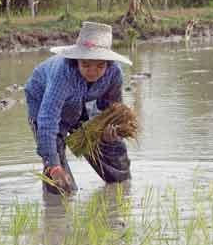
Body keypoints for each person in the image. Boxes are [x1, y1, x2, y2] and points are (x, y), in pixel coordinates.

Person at [25, 21, 133, 193]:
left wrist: (111, 132)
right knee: (61, 186)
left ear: (108, 63)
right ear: (76, 61)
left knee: (119, 178)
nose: (92, 71)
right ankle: (56, 202)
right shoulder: (63, 73)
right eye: (86, 65)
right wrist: (54, 166)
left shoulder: (114, 73)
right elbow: (47, 120)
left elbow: (113, 110)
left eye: (100, 66)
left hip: (80, 105)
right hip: (43, 104)